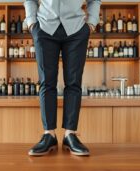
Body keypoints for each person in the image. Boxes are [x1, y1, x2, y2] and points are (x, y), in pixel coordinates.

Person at [24, 0, 101, 156]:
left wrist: (91, 23)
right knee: (47, 82)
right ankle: (49, 135)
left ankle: (70, 134)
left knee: (74, 83)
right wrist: (32, 23)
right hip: (44, 27)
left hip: (77, 29)